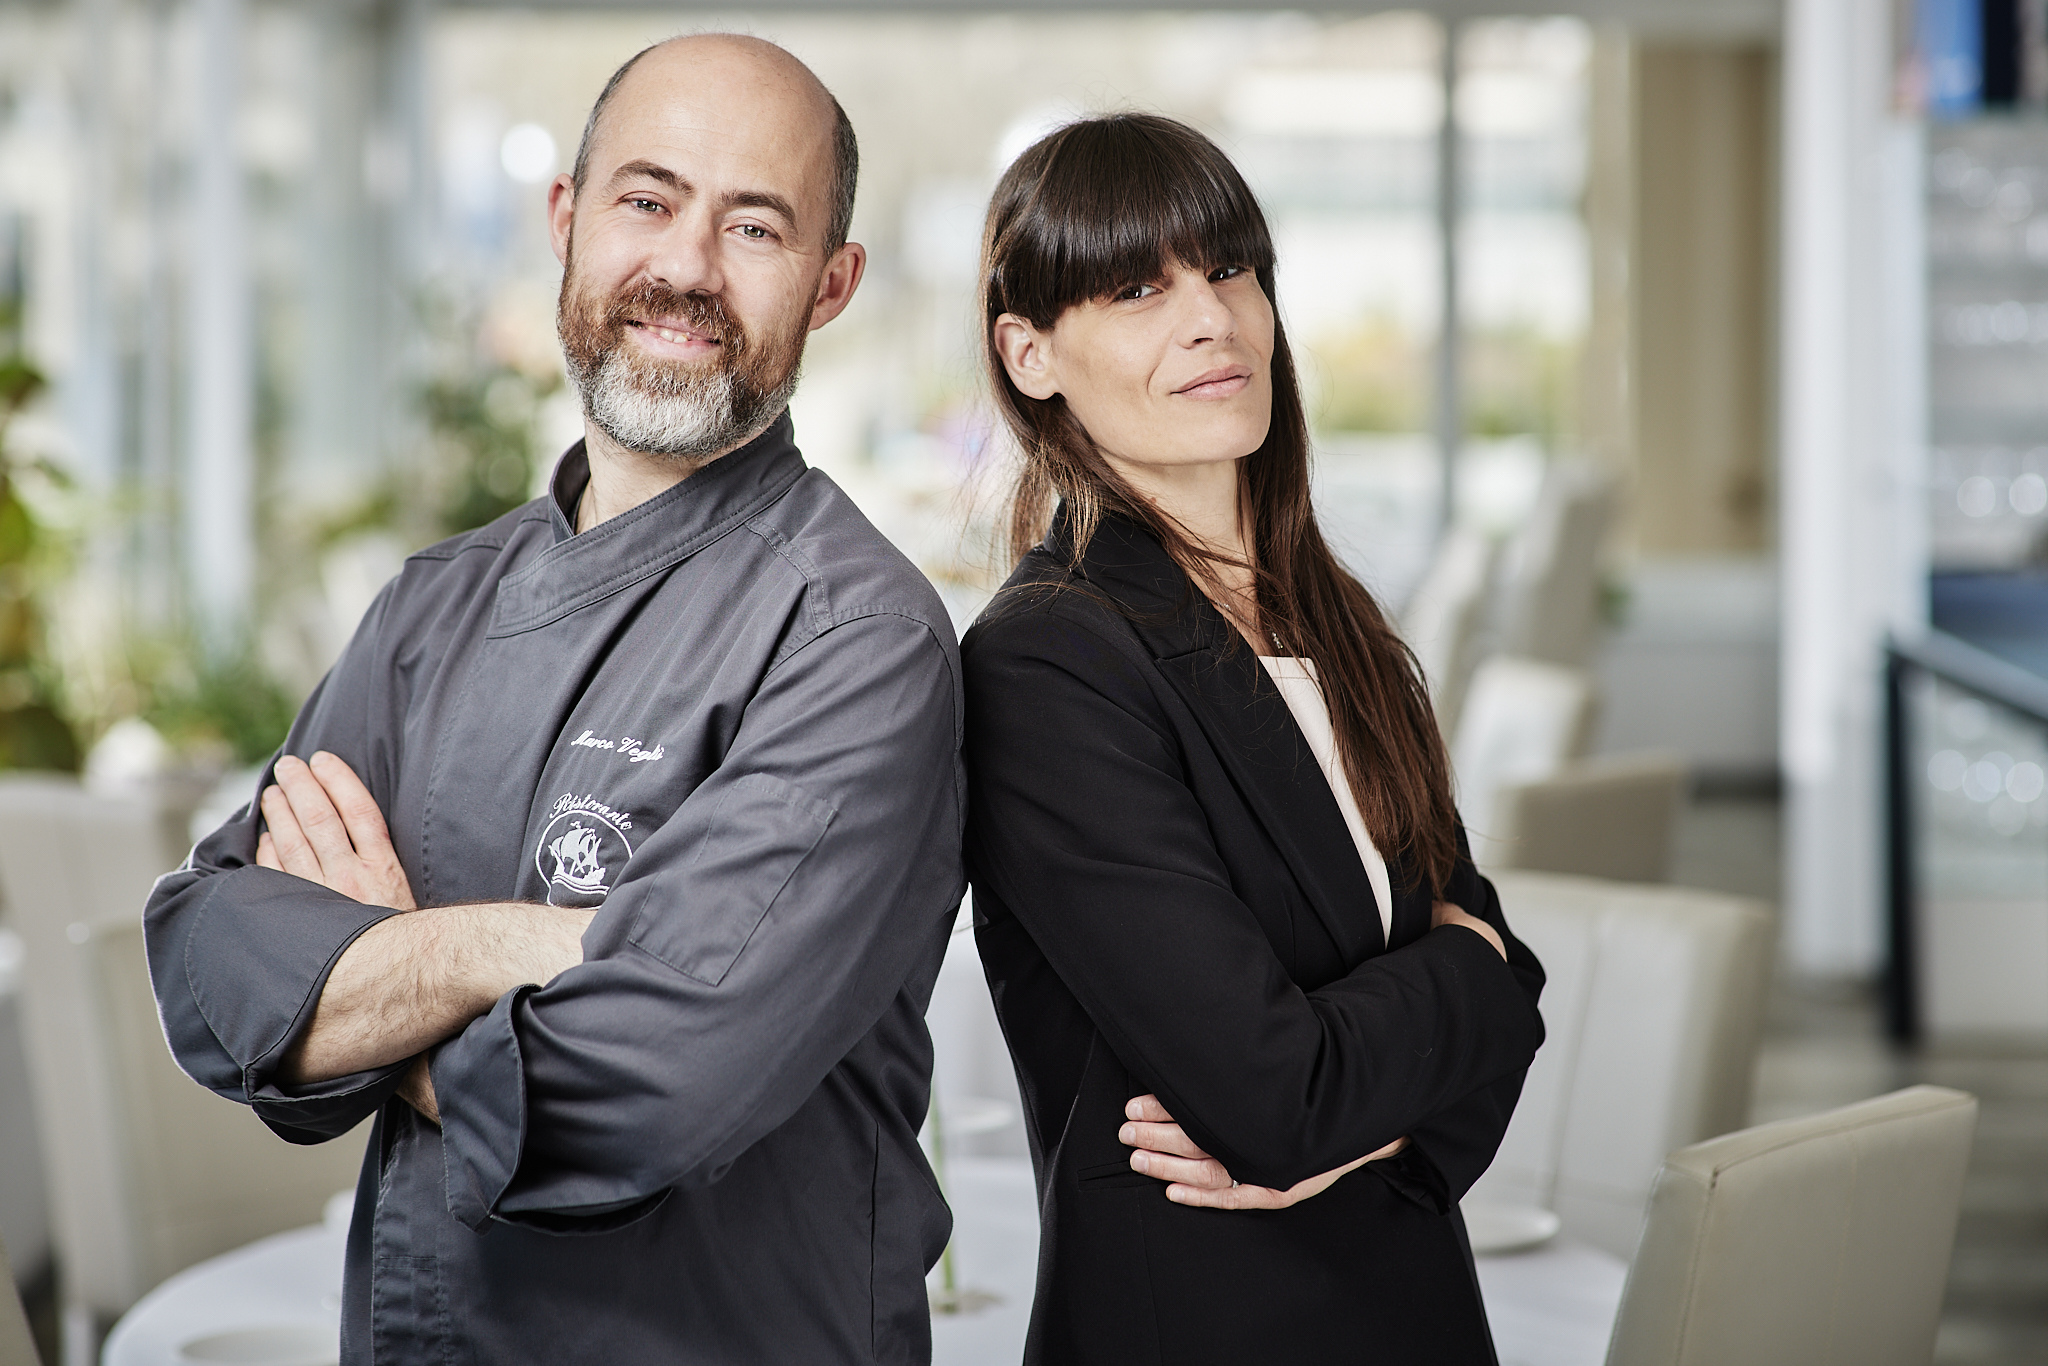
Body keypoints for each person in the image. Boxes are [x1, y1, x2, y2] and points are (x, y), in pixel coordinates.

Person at [144, 34, 965, 1364]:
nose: (687, 268)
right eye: (646, 200)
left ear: (832, 284)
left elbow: (642, 1091)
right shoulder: (432, 603)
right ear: (567, 222)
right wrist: (521, 945)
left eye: (755, 224)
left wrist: (353, 981)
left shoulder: (856, 637)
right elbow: (205, 965)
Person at [962, 113, 1548, 1364]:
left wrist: (1379, 1116)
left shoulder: (1327, 617)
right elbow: (1279, 1094)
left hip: (1407, 1300)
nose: (1208, 319)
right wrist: (1468, 974)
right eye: (1135, 288)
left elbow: (1512, 990)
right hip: (1208, 1320)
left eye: (1229, 269)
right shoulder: (1049, 659)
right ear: (1030, 355)